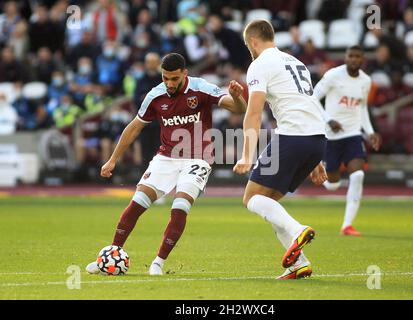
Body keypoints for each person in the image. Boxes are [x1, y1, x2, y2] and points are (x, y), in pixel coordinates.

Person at [86, 53, 247, 275]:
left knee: (179, 207)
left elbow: (239, 109)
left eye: (174, 79)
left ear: (184, 74)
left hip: (198, 157)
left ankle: (158, 263)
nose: (170, 84)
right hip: (166, 157)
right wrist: (113, 159)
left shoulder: (201, 88)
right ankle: (111, 255)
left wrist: (237, 97)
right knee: (137, 203)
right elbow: (134, 127)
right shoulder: (155, 95)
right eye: (165, 78)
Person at [233, 20, 328, 280]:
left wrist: (246, 155)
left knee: (251, 198)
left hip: (292, 136)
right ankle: (299, 264)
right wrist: (315, 160)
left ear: (253, 41)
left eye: (247, 45)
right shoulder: (296, 62)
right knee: (269, 202)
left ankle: (298, 230)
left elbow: (253, 113)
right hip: (316, 138)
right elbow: (308, 105)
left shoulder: (259, 64)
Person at [313, 45, 381, 237]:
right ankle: (324, 174)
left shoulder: (365, 81)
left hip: (352, 134)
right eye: (350, 56)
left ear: (363, 59)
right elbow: (313, 98)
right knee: (333, 184)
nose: (353, 59)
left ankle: (347, 225)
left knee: (358, 175)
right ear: (346, 57)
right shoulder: (333, 75)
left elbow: (362, 108)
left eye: (357, 56)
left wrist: (369, 132)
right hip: (331, 135)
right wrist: (328, 120)